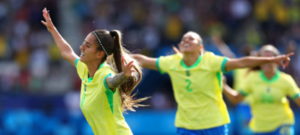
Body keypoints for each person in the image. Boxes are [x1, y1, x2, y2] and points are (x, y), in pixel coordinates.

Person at [131, 31, 293, 135]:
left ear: (200, 47)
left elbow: (241, 62)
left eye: (191, 38)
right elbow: (144, 60)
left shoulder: (212, 61)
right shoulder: (172, 62)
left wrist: (272, 59)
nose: (186, 39)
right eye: (184, 38)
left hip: (214, 124)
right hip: (186, 125)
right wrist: (117, 54)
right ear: (180, 45)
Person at [41, 8, 147, 135]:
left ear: (99, 54)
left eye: (88, 45)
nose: (81, 47)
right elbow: (66, 52)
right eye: (83, 43)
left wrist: (124, 75)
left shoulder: (105, 74)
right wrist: (52, 29)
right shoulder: (84, 68)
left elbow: (112, 81)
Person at [223, 45, 300, 135]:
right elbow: (236, 99)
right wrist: (223, 85)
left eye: (270, 58)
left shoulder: (286, 80)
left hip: (282, 125)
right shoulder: (252, 78)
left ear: (277, 60)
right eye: (263, 59)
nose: (267, 61)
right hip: (260, 128)